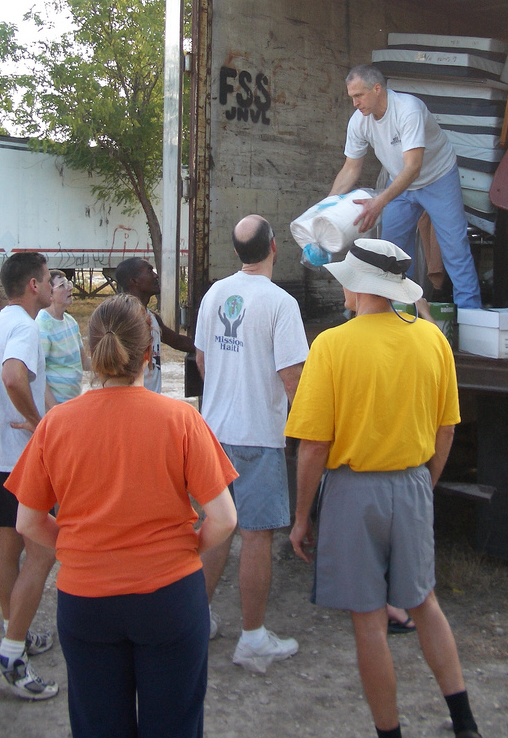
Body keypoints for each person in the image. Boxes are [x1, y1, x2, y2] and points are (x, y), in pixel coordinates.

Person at [5, 293, 238, 738]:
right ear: (150, 356)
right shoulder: (181, 419)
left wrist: (78, 550)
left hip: (86, 599)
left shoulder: (56, 423)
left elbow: (28, 521)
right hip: (170, 596)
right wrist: (183, 550)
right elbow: (223, 519)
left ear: (91, 353)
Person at [286, 238, 483, 738]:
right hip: (413, 484)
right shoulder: (432, 339)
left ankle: (390, 733)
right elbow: (447, 429)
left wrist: (303, 516)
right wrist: (424, 485)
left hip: (354, 493)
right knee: (424, 603)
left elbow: (313, 446)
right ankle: (465, 722)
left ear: (357, 286)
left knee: (369, 621)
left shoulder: (332, 345)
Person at [194, 214, 308, 673]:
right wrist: (302, 433)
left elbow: (202, 358)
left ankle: (195, 620)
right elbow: (292, 378)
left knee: (215, 527)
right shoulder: (281, 303)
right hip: (259, 437)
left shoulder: (214, 294)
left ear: (237, 252)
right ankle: (253, 638)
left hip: (214, 434)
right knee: (256, 538)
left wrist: (226, 387)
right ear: (274, 247)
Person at [0, 251, 59, 700]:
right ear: (33, 285)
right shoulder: (25, 325)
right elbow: (10, 376)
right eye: (48, 280)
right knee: (44, 552)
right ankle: (9, 658)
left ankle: (16, 633)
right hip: (21, 460)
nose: (51, 285)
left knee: (9, 546)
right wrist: (38, 421)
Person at [328, 64, 481, 309]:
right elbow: (351, 168)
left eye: (359, 95)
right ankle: (396, 312)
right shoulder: (359, 121)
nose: (355, 103)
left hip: (437, 177)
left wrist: (379, 202)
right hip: (400, 183)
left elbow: (413, 167)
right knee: (391, 254)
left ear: (377, 89)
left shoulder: (408, 110)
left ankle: (472, 317)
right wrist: (326, 208)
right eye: (351, 97)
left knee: (454, 249)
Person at [114, 257, 195, 392]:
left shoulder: (151, 317)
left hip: (149, 400)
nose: (156, 276)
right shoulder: (123, 318)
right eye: (149, 271)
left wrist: (211, 348)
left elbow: (176, 341)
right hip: (131, 400)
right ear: (134, 281)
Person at [37, 270, 90, 404]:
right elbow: (38, 375)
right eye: (62, 286)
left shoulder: (70, 321)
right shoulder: (42, 325)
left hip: (72, 404)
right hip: (54, 408)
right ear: (50, 294)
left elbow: (84, 362)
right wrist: (54, 408)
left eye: (68, 283)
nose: (69, 288)